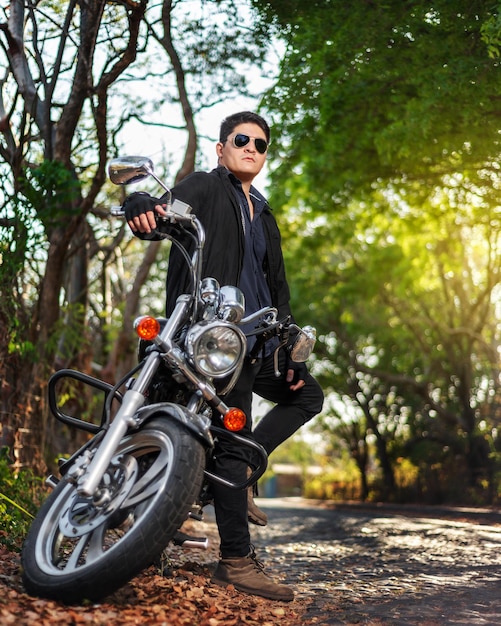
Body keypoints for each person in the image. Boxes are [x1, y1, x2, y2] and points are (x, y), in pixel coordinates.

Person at [124, 111, 324, 602]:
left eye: (260, 143)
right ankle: (236, 559)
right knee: (233, 442)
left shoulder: (266, 212)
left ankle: (235, 478)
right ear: (221, 147)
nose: (251, 147)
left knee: (307, 396)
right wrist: (139, 202)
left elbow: (278, 288)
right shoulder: (207, 187)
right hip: (211, 337)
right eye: (241, 139)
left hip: (258, 341)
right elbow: (163, 214)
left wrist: (290, 348)